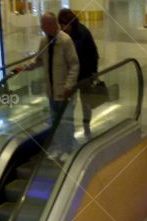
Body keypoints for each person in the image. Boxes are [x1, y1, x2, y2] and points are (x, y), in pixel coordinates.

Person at [14, 13, 80, 156]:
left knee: (66, 121)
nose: (42, 28)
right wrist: (24, 67)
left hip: (64, 91)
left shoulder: (65, 41)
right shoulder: (45, 41)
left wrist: (69, 86)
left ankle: (68, 148)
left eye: (43, 25)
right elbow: (38, 60)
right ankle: (58, 147)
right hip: (51, 91)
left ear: (51, 25)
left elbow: (74, 65)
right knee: (55, 121)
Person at [58, 8, 99, 139]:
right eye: (61, 25)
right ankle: (70, 131)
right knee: (70, 103)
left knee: (86, 103)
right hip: (71, 76)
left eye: (65, 24)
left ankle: (86, 127)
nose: (63, 28)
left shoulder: (83, 33)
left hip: (85, 75)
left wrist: (93, 73)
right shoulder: (63, 35)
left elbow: (93, 54)